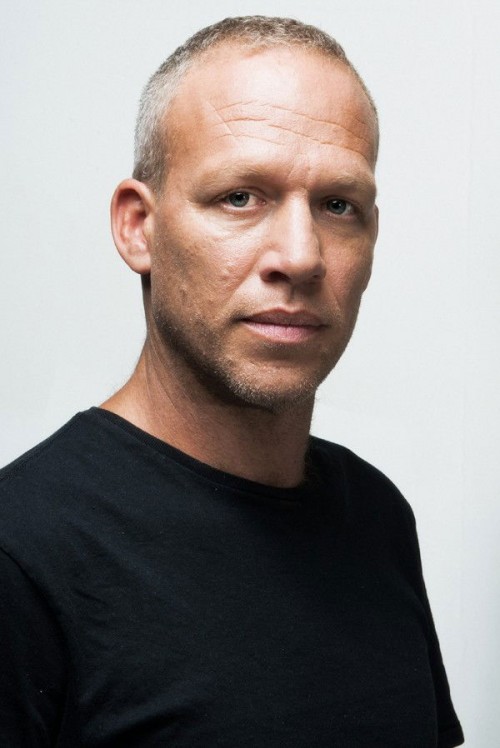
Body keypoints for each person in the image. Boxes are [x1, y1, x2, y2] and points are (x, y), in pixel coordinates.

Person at [0, 15, 464, 747]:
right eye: (241, 197)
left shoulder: (376, 517)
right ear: (138, 227)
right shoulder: (22, 552)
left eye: (338, 205)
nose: (301, 256)